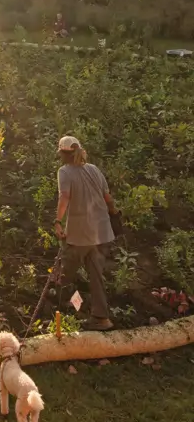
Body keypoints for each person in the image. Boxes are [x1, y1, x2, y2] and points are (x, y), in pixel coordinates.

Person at [54, 135, 119, 331]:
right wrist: (115, 214)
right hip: (102, 233)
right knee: (96, 275)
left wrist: (58, 221)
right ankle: (101, 318)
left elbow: (65, 197)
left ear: (63, 154)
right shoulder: (94, 169)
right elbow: (107, 197)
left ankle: (65, 312)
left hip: (80, 235)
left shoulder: (64, 172)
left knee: (66, 274)